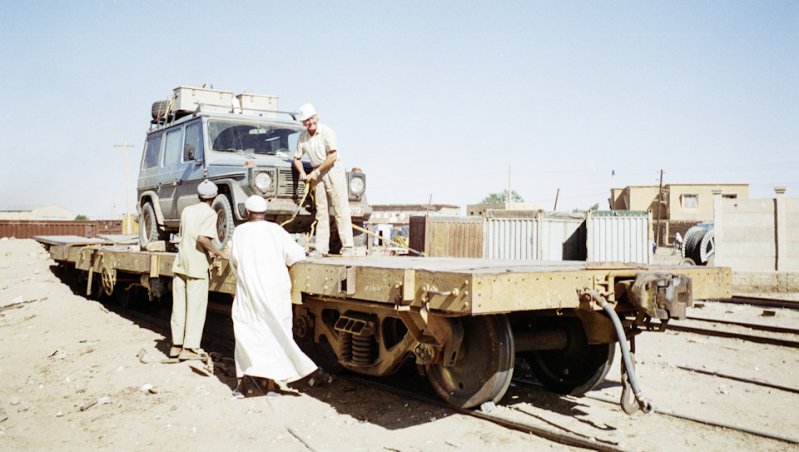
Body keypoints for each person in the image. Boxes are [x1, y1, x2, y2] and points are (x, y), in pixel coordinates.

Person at [229, 195, 317, 397]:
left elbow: (234, 262)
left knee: (246, 334)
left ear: (247, 213)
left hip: (249, 293)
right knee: (275, 335)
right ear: (265, 212)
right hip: (275, 293)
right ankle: (271, 386)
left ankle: (242, 386)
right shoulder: (276, 231)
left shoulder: (240, 232)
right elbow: (295, 256)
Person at [170, 180, 228, 360]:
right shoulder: (210, 214)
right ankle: (190, 348)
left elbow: (186, 236)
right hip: (196, 267)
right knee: (195, 308)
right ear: (214, 197)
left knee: (179, 307)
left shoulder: (187, 211)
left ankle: (176, 346)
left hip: (181, 264)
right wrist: (219, 253)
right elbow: (202, 238)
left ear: (199, 195)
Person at [293, 103, 354, 256]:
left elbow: (332, 156)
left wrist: (317, 171)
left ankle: (347, 246)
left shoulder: (327, 132)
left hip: (332, 169)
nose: (310, 122)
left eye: (311, 118)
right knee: (321, 211)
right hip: (317, 172)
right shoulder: (302, 137)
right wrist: (302, 172)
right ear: (303, 122)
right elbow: (297, 158)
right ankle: (321, 248)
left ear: (316, 117)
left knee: (340, 207)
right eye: (306, 120)